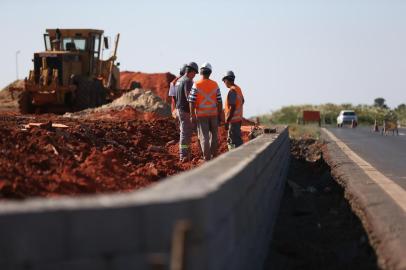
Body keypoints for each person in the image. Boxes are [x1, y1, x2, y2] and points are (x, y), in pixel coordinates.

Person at [188, 63, 222, 161]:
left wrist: (192, 115)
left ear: (201, 72)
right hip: (214, 114)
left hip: (202, 115)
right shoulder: (215, 84)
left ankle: (207, 159)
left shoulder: (196, 84)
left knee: (204, 137)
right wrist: (220, 114)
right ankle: (214, 156)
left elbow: (191, 100)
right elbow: (219, 100)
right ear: (210, 73)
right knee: (214, 137)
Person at [175, 62, 199, 162]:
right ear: (191, 71)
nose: (195, 75)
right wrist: (194, 111)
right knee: (185, 133)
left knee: (184, 132)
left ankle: (185, 153)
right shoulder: (188, 81)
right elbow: (189, 97)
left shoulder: (179, 80)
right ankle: (183, 155)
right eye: (195, 73)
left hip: (179, 109)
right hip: (185, 110)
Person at [222, 70, 244, 150]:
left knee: (232, 142)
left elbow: (232, 107)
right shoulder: (238, 89)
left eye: (224, 81)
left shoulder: (232, 91)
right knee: (237, 140)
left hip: (233, 121)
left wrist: (227, 121)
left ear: (227, 80)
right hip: (238, 119)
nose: (224, 83)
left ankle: (234, 158)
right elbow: (242, 101)